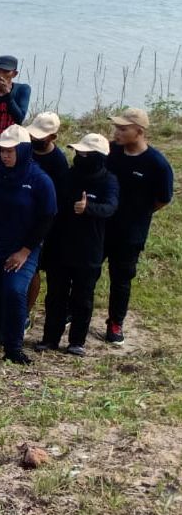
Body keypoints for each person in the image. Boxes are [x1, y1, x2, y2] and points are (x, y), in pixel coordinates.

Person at [0, 125, 57, 365]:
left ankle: (14, 347)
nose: (5, 156)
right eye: (2, 151)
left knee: (15, 291)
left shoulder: (39, 180)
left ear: (24, 150)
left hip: (22, 248)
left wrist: (25, 251)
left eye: (10, 151)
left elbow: (47, 217)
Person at [37, 133, 117, 356]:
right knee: (55, 296)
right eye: (77, 152)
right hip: (60, 246)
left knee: (83, 298)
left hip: (89, 250)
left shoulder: (108, 180)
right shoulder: (69, 175)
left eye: (84, 153)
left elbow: (111, 207)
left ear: (98, 156)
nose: (79, 156)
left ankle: (77, 342)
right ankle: (50, 338)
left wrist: (88, 208)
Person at [102, 107, 174, 344]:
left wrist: (139, 214)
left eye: (123, 129)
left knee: (121, 278)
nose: (117, 133)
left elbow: (163, 199)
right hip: (101, 225)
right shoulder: (110, 152)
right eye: (117, 128)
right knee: (86, 271)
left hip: (130, 232)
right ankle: (75, 311)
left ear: (139, 131)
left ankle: (115, 323)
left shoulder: (157, 164)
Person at [24, 112, 68, 320]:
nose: (35, 139)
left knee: (34, 269)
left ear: (53, 137)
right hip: (19, 217)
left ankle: (25, 313)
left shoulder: (58, 163)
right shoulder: (25, 149)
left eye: (41, 136)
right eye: (33, 134)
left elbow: (57, 202)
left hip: (43, 224)